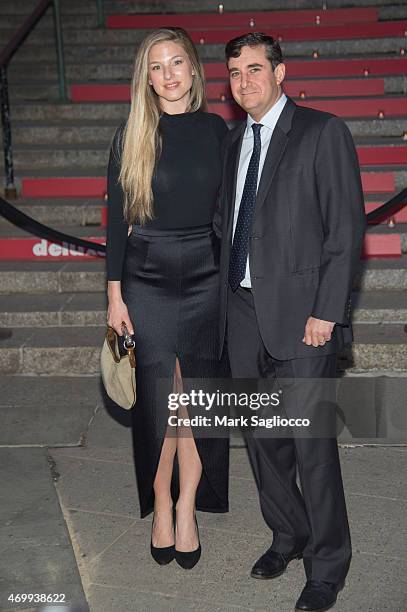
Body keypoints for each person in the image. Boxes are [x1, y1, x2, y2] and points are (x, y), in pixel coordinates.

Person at [216, 32, 366, 611]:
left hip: (306, 318)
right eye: (234, 73)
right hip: (245, 314)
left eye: (255, 69)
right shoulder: (233, 143)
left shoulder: (323, 132)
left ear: (281, 73)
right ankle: (288, 535)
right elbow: (223, 230)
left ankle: (328, 564)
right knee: (261, 441)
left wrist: (327, 311)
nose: (244, 82)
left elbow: (344, 232)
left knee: (312, 445)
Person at [105, 27, 229, 570]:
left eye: (177, 62)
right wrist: (114, 296)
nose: (168, 74)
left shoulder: (217, 131)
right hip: (147, 274)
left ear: (194, 69)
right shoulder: (131, 132)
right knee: (161, 402)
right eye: (156, 66)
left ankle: (186, 506)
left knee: (193, 400)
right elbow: (116, 226)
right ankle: (160, 499)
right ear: (146, 77)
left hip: (206, 272)